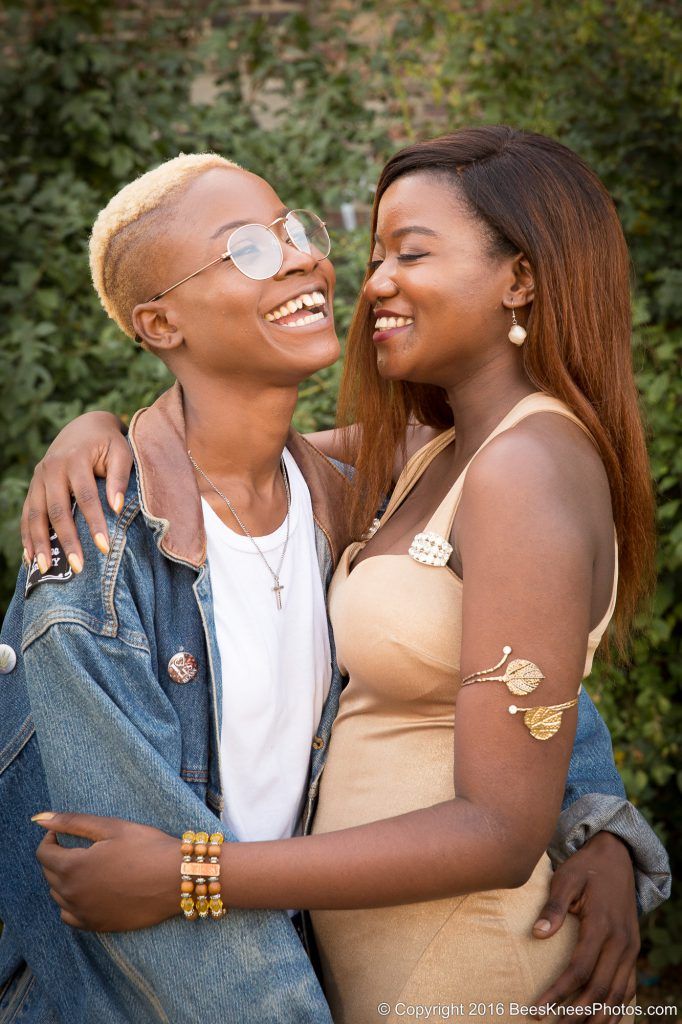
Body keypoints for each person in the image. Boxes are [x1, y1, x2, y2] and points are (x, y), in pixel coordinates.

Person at [0, 138, 668, 1022]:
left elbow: (516, 676)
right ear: (159, 325)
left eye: (295, 233)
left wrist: (595, 821)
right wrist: (93, 429)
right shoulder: (105, 554)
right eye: (248, 248)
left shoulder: (418, 487)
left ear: (520, 278)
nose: (315, 262)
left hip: (427, 968)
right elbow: (126, 900)